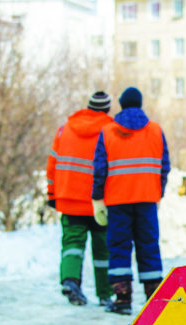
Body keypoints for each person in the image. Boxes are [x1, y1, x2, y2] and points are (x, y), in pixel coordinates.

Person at [91, 86, 170, 315]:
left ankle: (122, 298)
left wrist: (97, 198)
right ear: (140, 104)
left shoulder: (107, 132)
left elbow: (99, 169)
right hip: (147, 199)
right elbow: (164, 166)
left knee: (118, 248)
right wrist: (158, 193)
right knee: (149, 246)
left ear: (122, 104)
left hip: (117, 200)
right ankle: (154, 298)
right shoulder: (155, 130)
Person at [46, 91, 114, 307]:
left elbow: (52, 163)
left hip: (69, 198)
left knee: (72, 244)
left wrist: (51, 193)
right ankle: (105, 294)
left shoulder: (64, 130)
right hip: (100, 202)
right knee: (103, 248)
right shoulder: (111, 131)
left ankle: (70, 281)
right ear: (107, 109)